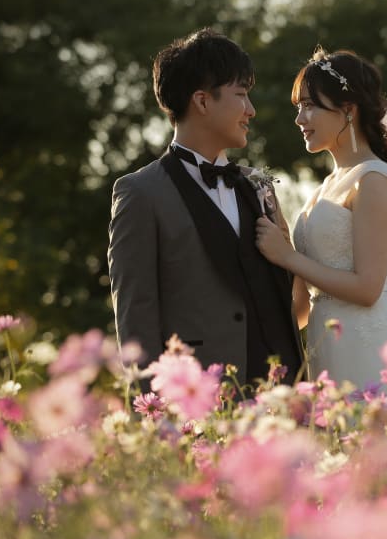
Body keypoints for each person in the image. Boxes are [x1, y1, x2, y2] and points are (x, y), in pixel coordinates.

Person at [108, 28, 303, 394]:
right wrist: (155, 423)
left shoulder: (259, 186)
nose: (251, 110)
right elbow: (136, 322)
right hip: (202, 404)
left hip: (285, 396)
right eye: (241, 95)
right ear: (202, 101)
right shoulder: (141, 194)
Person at [255, 47, 387, 391]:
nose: (299, 119)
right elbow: (299, 309)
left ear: (347, 110)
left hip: (375, 350)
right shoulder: (320, 192)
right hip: (329, 352)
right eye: (299, 107)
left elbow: (368, 288)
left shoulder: (372, 179)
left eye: (310, 105)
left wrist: (288, 257)